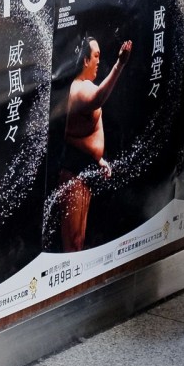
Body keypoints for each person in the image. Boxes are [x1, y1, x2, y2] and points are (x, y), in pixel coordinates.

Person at [57, 36, 132, 250]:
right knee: (73, 241)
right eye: (96, 56)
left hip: (83, 169)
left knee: (79, 238)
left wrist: (98, 159)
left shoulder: (85, 86)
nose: (99, 61)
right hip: (73, 171)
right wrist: (119, 65)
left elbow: (80, 134)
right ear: (85, 61)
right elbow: (99, 98)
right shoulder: (79, 89)